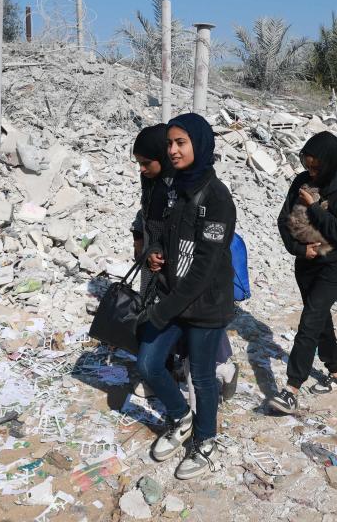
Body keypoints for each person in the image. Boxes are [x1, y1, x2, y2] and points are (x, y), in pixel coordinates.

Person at [136, 113, 236, 480]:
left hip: (205, 304)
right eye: (170, 144)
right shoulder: (173, 188)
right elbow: (161, 231)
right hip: (171, 295)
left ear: (199, 144)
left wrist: (163, 311)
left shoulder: (217, 198)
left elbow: (205, 269)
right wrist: (155, 252)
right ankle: (182, 418)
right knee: (148, 364)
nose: (173, 150)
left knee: (203, 378)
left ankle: (205, 439)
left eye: (181, 143)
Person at [269, 132, 337, 414]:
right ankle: (336, 372)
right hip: (307, 263)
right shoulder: (301, 181)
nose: (310, 172)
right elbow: (284, 220)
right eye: (308, 165)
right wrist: (300, 250)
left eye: (316, 167)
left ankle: (291, 389)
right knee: (319, 316)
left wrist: (313, 206)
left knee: (310, 319)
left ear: (331, 163)